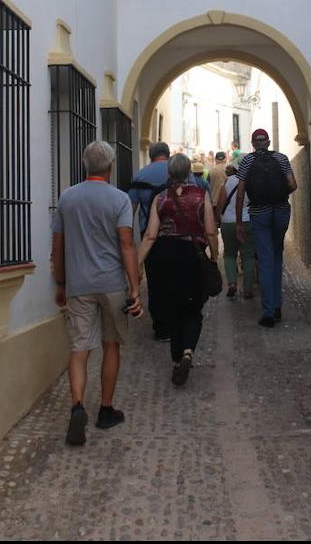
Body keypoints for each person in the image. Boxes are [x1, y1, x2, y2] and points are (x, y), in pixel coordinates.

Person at [51, 141, 143, 447]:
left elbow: (58, 245)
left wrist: (61, 283)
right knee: (111, 346)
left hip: (79, 284)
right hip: (113, 284)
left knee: (79, 350)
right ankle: (105, 409)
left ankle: (77, 406)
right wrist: (134, 287)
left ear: (85, 164)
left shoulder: (67, 198)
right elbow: (126, 245)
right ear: (111, 166)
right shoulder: (119, 200)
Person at [138, 154, 220, 386]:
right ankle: (187, 352)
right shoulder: (200, 195)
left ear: (169, 174)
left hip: (165, 257)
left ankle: (176, 360)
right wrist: (214, 257)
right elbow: (211, 232)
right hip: (191, 256)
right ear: (188, 173)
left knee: (172, 308)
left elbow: (151, 235)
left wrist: (137, 265)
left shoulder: (160, 198)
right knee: (193, 308)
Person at [235, 128, 297, 327]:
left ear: (253, 144)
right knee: (277, 255)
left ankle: (269, 311)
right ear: (268, 142)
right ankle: (277, 305)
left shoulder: (246, 161)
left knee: (265, 258)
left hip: (259, 213)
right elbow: (293, 185)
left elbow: (240, 193)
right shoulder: (281, 158)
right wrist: (279, 193)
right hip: (280, 211)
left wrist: (238, 222)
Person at [129, 141, 191, 341]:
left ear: (150, 155)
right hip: (179, 233)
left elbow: (130, 208)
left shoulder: (140, 176)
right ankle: (178, 322)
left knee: (155, 281)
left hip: (149, 233)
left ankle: (161, 327)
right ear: (168, 154)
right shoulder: (180, 172)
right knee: (179, 278)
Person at [215, 163, 256, 300]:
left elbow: (220, 203)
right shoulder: (252, 180)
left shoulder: (227, 181)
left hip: (228, 222)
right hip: (248, 221)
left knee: (229, 254)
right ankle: (248, 290)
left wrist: (218, 218)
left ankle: (232, 282)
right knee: (248, 256)